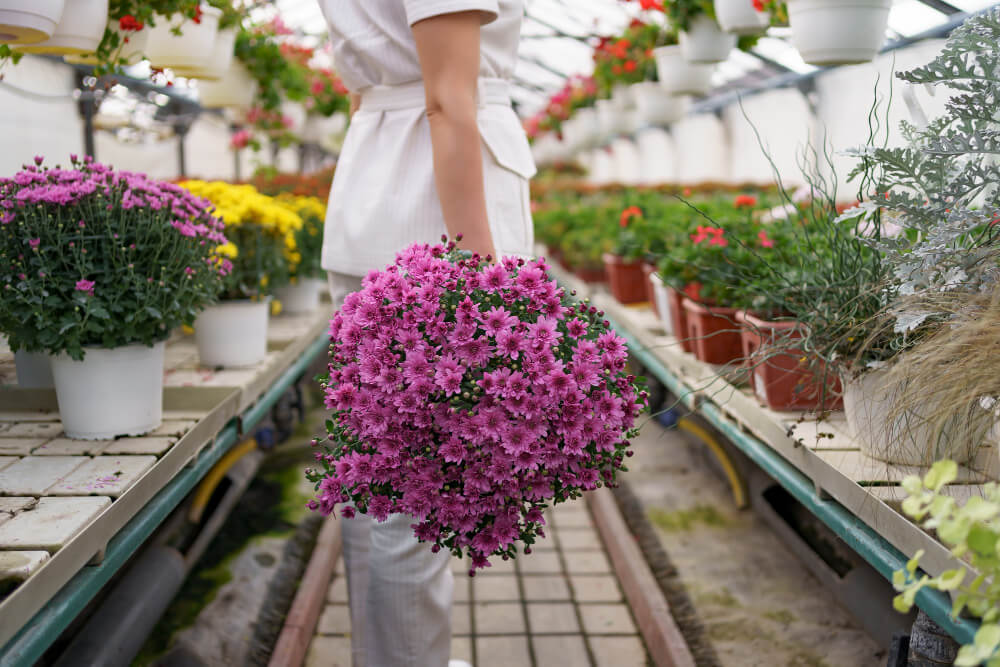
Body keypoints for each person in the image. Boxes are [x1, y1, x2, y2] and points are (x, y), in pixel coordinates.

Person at [315, 1, 536, 665]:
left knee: (378, 480)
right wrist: (476, 275)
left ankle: (393, 656)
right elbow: (446, 97)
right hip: (431, 218)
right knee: (413, 493)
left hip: (386, 192)